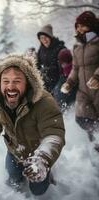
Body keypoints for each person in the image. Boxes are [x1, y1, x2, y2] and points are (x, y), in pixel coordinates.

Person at [0, 53, 65, 196]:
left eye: (17, 81)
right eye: (5, 81)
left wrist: (43, 159)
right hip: (14, 152)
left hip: (38, 153)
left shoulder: (43, 101)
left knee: (39, 191)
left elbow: (53, 133)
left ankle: (48, 172)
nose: (10, 86)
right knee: (14, 182)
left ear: (27, 82)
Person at [61, 11, 99, 151]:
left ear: (90, 25)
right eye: (77, 26)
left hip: (97, 88)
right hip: (83, 90)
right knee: (83, 118)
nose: (79, 29)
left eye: (82, 25)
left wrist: (97, 77)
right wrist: (69, 82)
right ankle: (96, 139)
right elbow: (76, 68)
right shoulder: (77, 46)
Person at [37, 24, 66, 93]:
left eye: (46, 37)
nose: (44, 40)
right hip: (45, 80)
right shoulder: (41, 49)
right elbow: (37, 63)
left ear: (50, 37)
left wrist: (47, 70)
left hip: (59, 80)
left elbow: (64, 68)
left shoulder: (60, 48)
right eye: (41, 38)